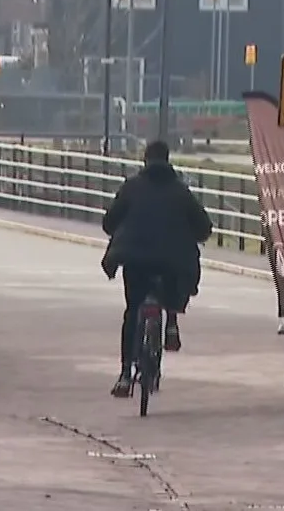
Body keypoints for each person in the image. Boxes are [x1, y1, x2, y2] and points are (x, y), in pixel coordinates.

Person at [101, 139, 212, 398]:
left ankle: (125, 375)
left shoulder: (131, 188)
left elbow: (110, 222)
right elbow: (203, 227)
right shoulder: (181, 191)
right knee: (175, 279)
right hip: (172, 261)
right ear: (168, 159)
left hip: (135, 259)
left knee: (132, 311)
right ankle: (171, 322)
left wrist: (118, 231)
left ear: (144, 160)